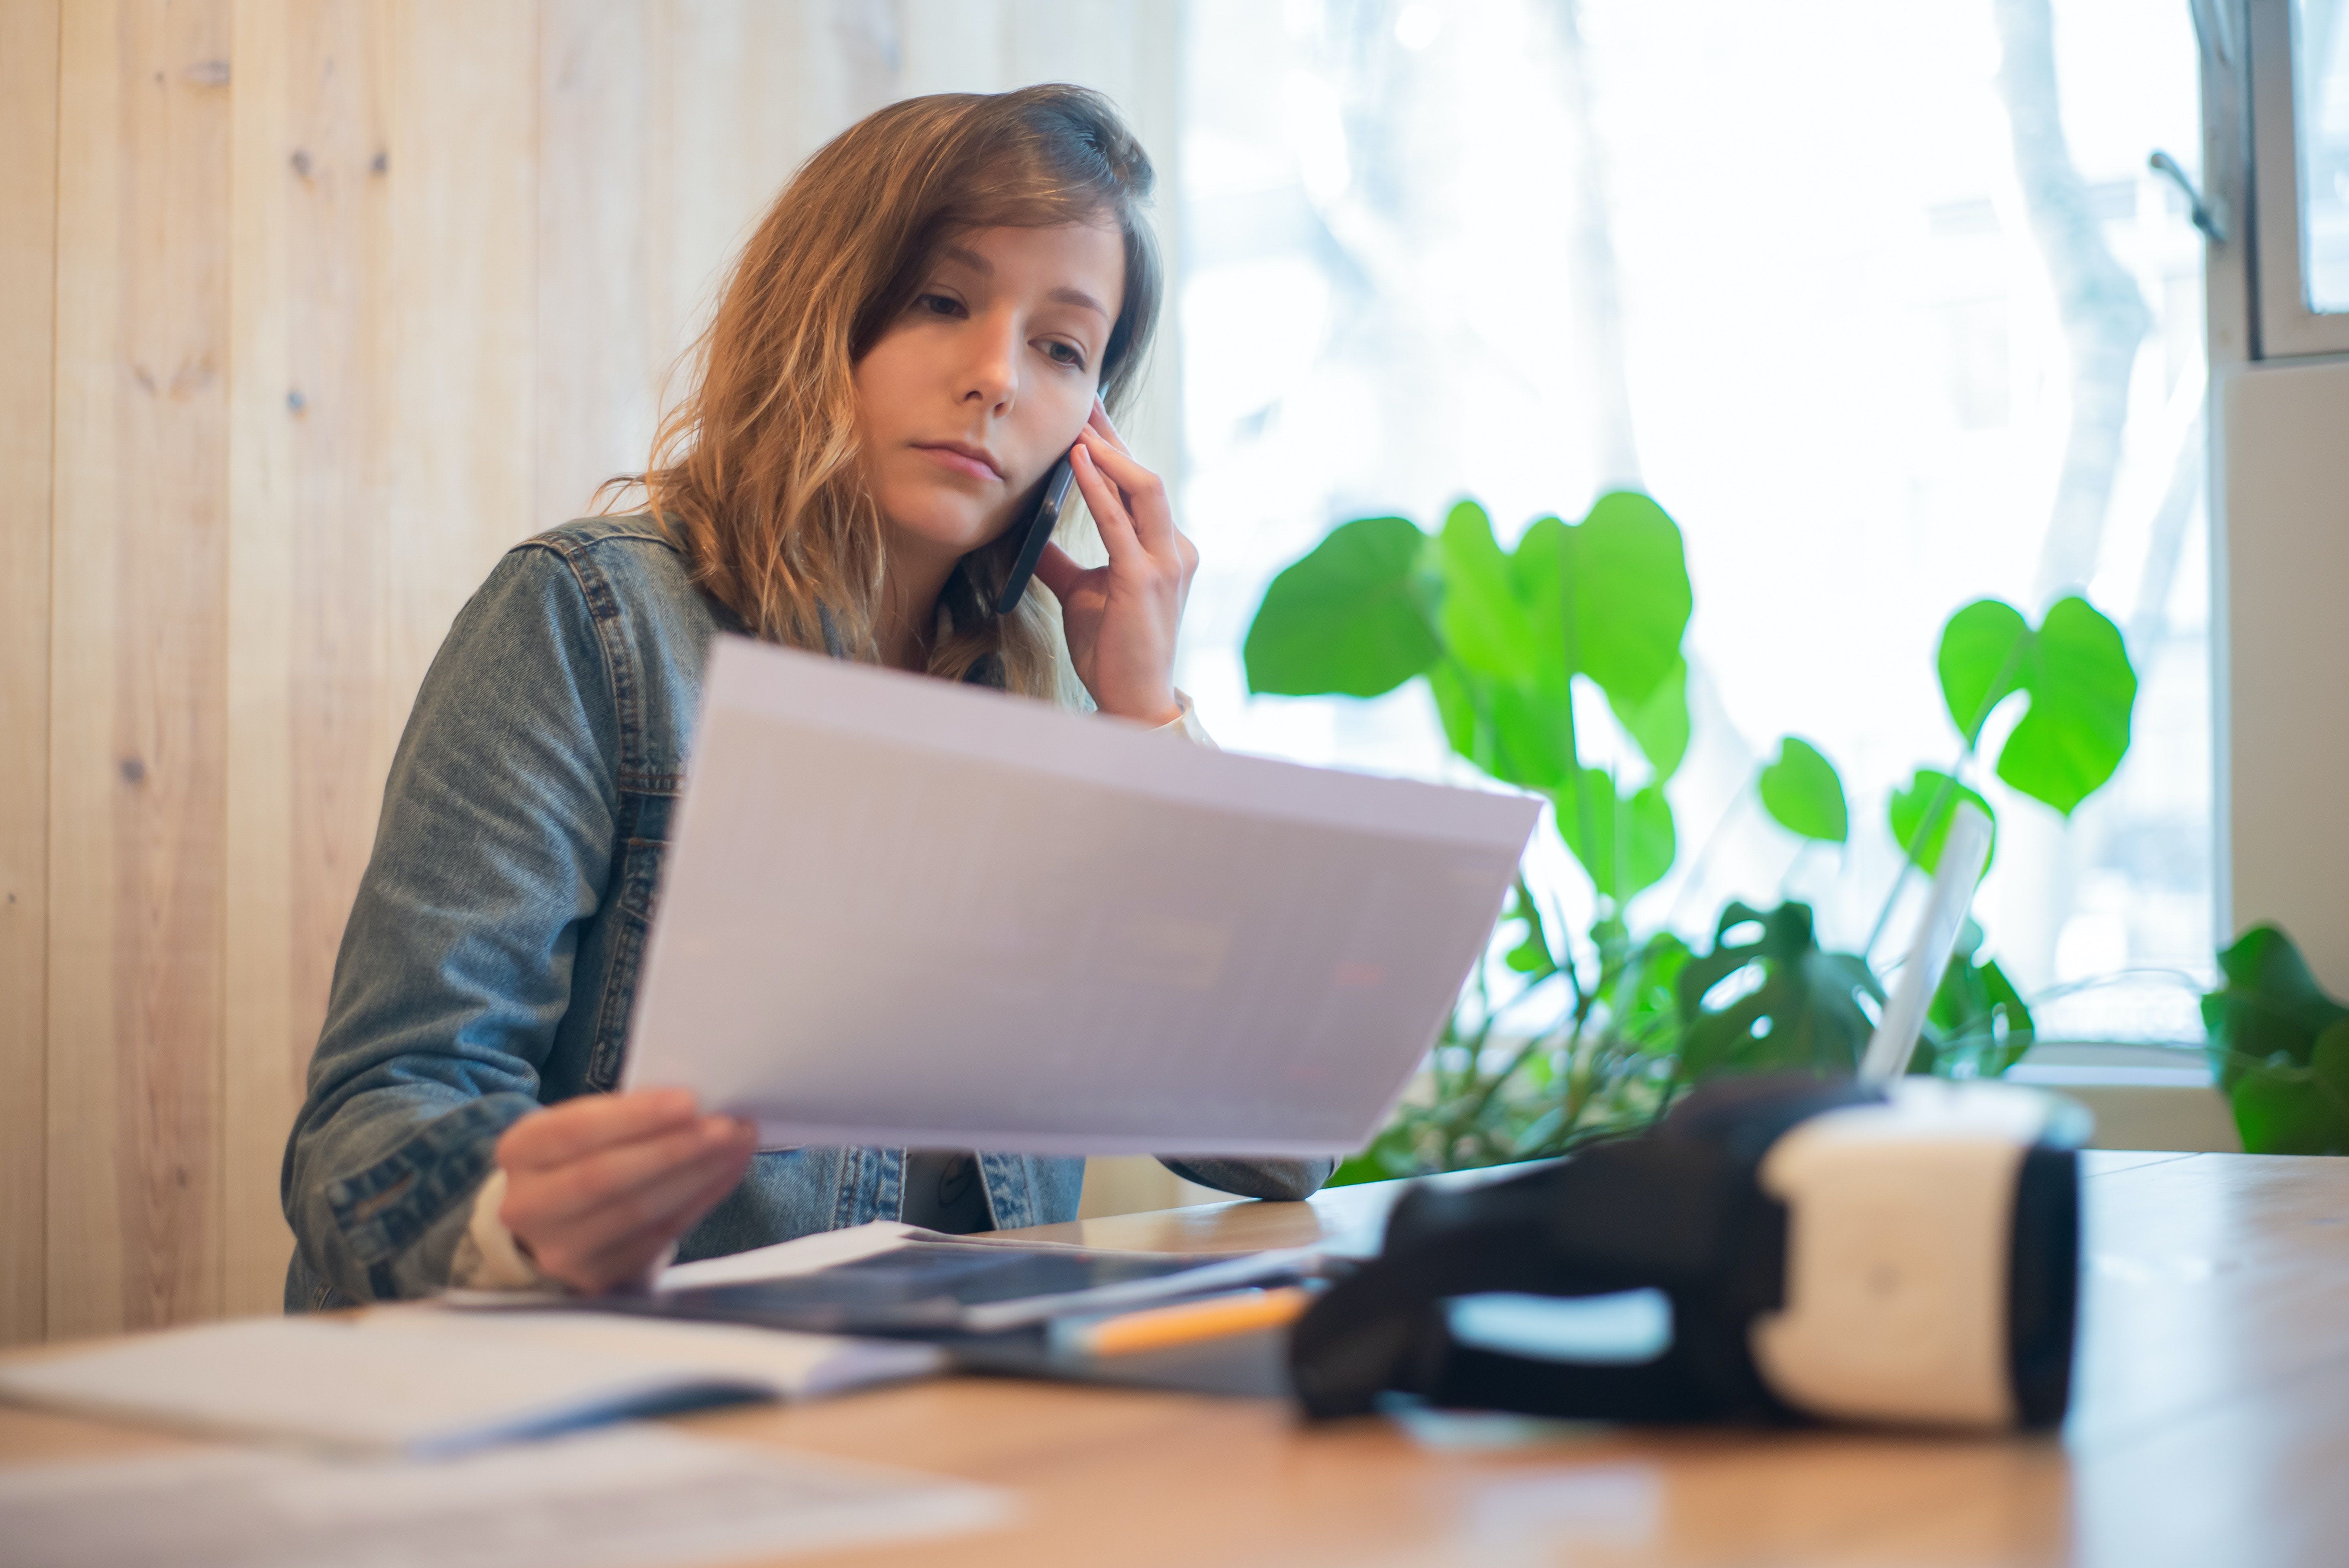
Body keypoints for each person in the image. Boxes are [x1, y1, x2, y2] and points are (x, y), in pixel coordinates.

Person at [281, 85, 1332, 1309]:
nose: (998, 378)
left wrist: (1148, 723)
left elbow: (1281, 1145)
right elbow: (372, 1121)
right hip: (616, 1406)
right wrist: (522, 1217)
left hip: (949, 1413)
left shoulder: (1061, 703)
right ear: (822, 314)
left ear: (1092, 429)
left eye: (1061, 346)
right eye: (943, 301)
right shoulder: (589, 616)